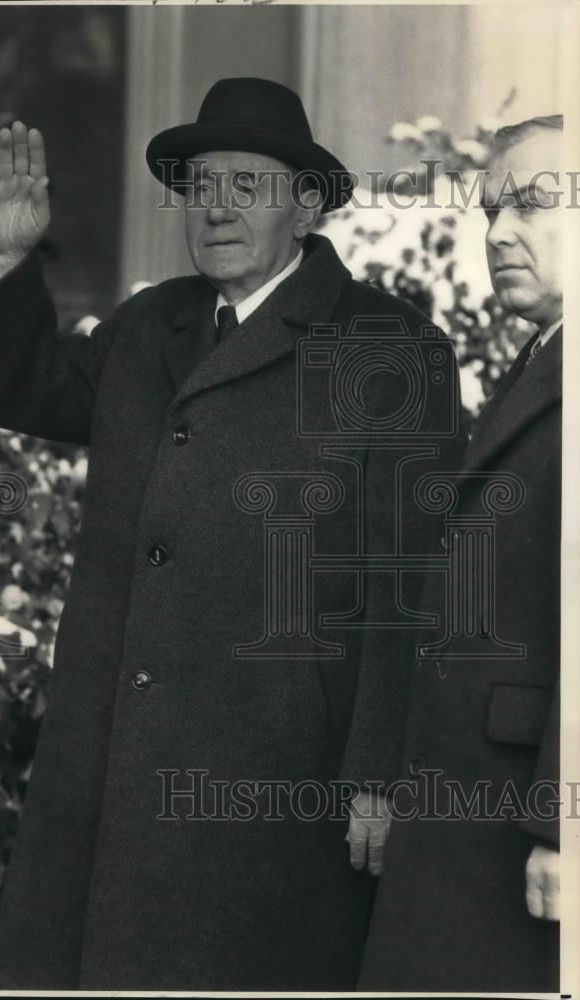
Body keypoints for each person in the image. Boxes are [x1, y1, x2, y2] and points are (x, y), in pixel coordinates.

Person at [0, 77, 464, 990]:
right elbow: (23, 388)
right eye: (199, 185)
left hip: (267, 784)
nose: (214, 207)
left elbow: (411, 579)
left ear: (305, 205)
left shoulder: (386, 345)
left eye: (245, 186)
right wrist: (6, 264)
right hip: (110, 763)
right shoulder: (152, 323)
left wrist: (380, 770)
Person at [355, 115, 563, 992]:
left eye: (530, 206)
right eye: (488, 212)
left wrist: (562, 828)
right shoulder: (540, 361)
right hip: (467, 807)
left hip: (521, 820)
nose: (498, 233)